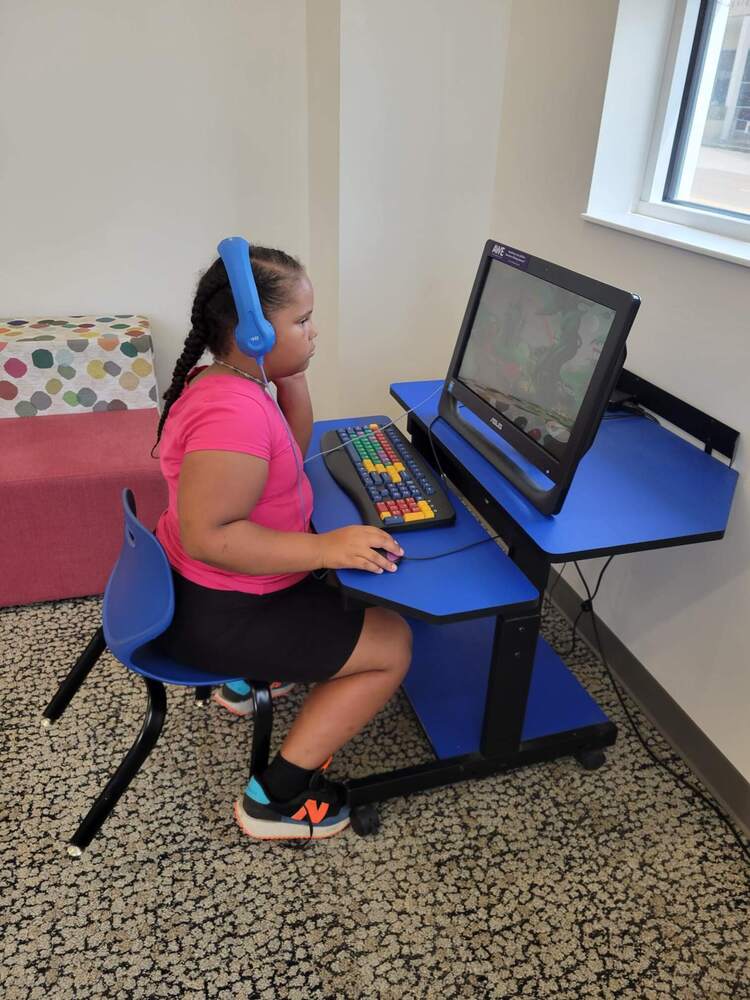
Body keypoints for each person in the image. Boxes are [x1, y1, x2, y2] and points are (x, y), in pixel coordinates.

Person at [153, 245, 412, 842]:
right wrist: (327, 550)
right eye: (302, 321)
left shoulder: (233, 381)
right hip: (219, 608)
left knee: (339, 576)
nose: (315, 332)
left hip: (213, 588)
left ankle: (252, 682)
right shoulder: (232, 413)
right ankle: (275, 797)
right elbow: (213, 536)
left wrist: (289, 378)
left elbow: (285, 456)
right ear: (254, 332)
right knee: (392, 641)